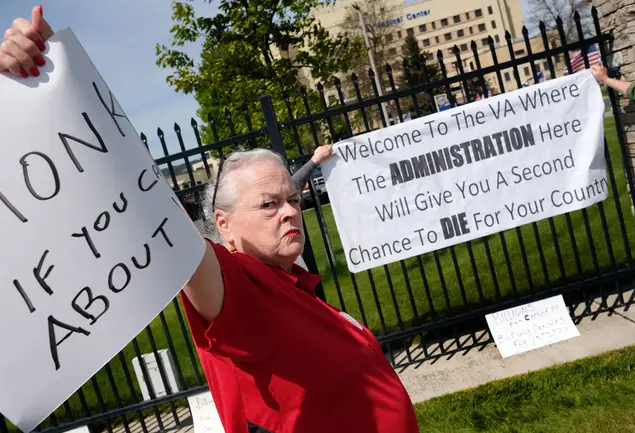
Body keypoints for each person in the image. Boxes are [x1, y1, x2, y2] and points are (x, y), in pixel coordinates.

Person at [0, 7, 421, 433]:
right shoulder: (238, 288)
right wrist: (65, 85)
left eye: (292, 199)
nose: (291, 211)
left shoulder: (293, 279)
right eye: (268, 205)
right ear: (224, 224)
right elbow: (158, 217)